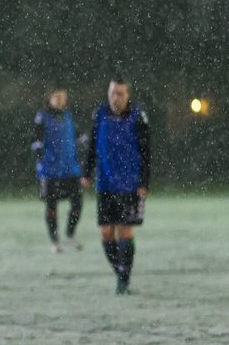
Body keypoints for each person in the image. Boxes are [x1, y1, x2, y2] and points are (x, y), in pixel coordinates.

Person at [81, 79, 150, 295]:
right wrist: (87, 172)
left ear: (128, 95)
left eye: (120, 93)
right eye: (112, 93)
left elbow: (147, 152)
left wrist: (144, 182)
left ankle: (122, 281)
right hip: (106, 182)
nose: (115, 97)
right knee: (105, 232)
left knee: (125, 230)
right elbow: (93, 145)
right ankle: (121, 273)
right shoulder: (99, 114)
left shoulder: (138, 117)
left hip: (130, 184)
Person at [31, 88, 85, 252]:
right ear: (49, 98)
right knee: (52, 206)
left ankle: (69, 235)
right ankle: (55, 241)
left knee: (77, 203)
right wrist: (41, 155)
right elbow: (35, 140)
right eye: (57, 97)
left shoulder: (68, 115)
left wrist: (84, 142)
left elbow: (78, 136)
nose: (61, 100)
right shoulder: (42, 116)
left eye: (63, 97)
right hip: (50, 170)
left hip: (70, 169)